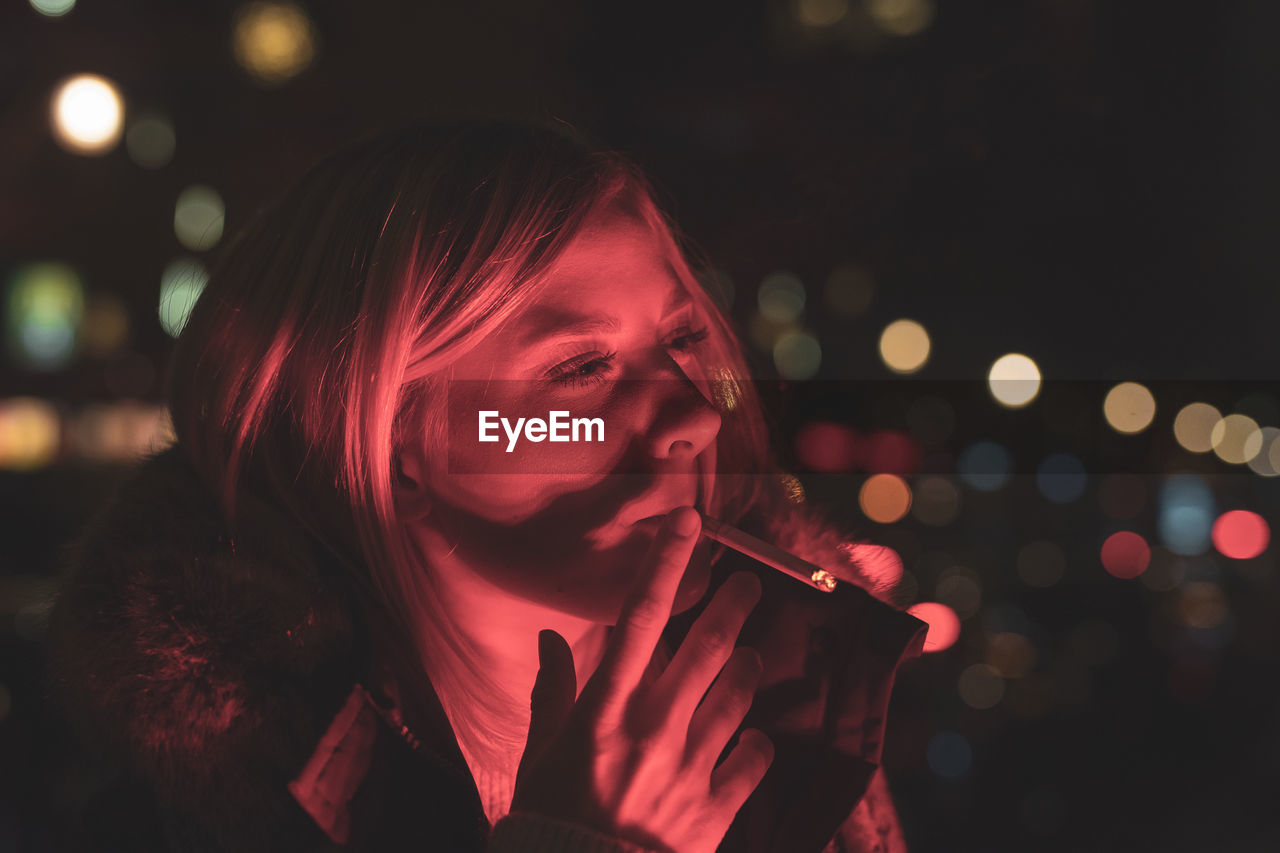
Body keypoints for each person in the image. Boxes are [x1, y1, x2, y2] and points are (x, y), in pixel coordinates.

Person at [45, 120, 927, 852]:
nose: (693, 414)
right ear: (385, 440)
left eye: (684, 338)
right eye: (582, 366)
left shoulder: (793, 711)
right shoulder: (184, 803)